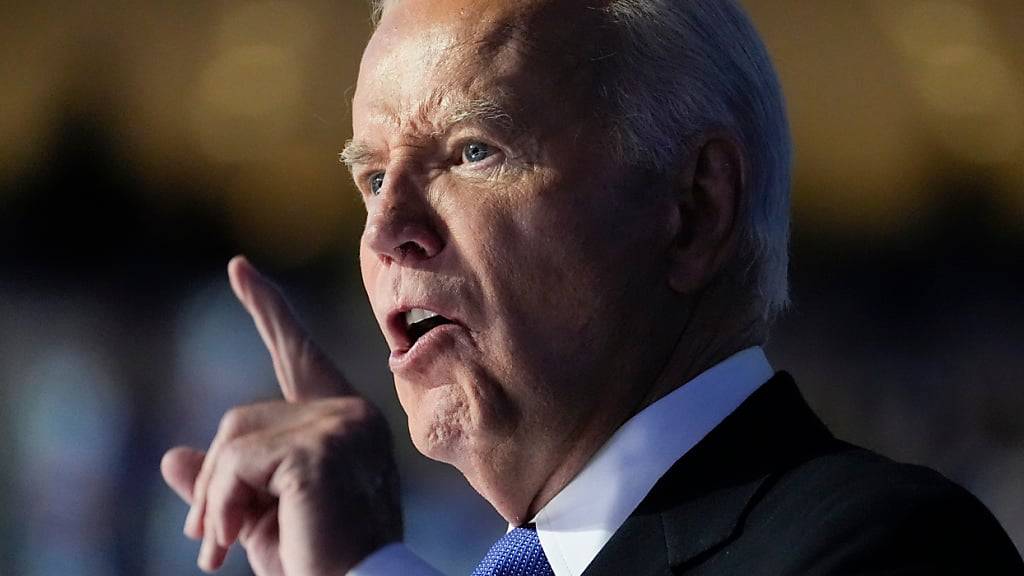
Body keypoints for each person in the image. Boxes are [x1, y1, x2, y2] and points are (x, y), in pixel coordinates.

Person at [161, 0, 1024, 574]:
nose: (388, 233)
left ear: (692, 208)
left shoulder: (889, 548)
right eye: (374, 177)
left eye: (472, 152)